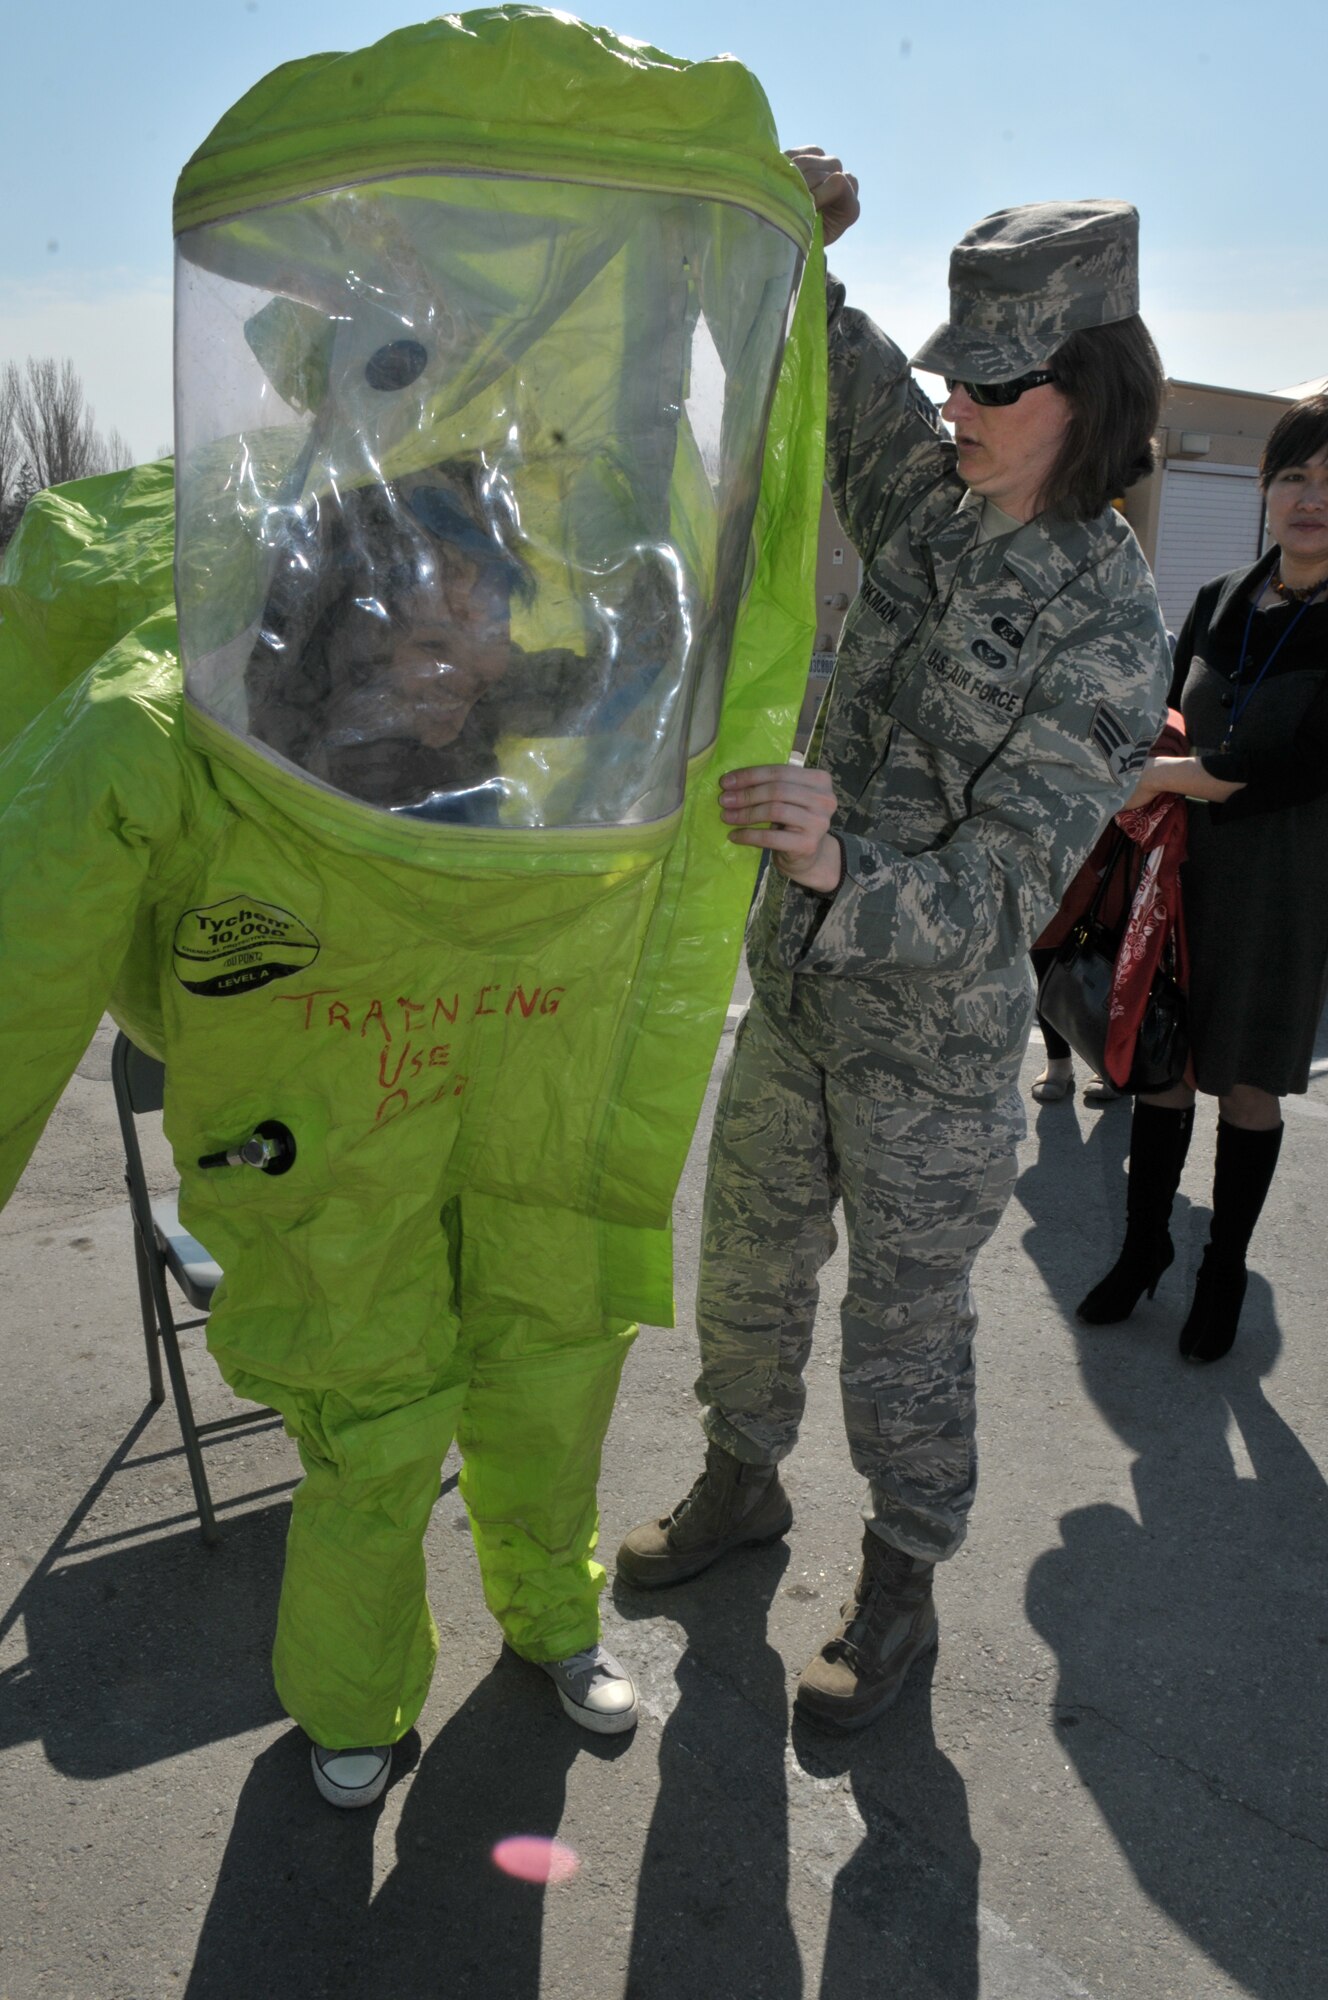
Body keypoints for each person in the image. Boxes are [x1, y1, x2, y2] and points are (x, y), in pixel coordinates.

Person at [0, 12, 827, 1808]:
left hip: (524, 1061)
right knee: (372, 1422)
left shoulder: (552, 710)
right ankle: (356, 1702)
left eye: (484, 616)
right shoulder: (194, 720)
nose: (460, 653)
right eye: (423, 618)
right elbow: (23, 943)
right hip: (328, 1104)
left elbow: (677, 576)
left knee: (547, 1355)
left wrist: (729, 296)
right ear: (338, 613)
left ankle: (552, 1616)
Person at [618, 157, 1173, 1731]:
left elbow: (1008, 888)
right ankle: (741, 1485)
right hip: (797, 1007)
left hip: (928, 1060)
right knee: (747, 1275)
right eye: (958, 374)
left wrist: (840, 863)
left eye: (997, 384)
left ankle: (905, 1584)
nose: (961, 406)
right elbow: (834, 359)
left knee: (906, 1337)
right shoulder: (930, 491)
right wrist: (797, 238)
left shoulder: (1108, 627)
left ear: (1093, 391)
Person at [1078, 391, 1328, 1361]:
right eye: (1295, 476)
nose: (1311, 498)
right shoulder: (1220, 598)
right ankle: (1143, 1247)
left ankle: (1219, 1271)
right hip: (1179, 876)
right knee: (1162, 1069)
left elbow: (1281, 769)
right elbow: (1164, 712)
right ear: (1265, 488)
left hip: (1281, 886)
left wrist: (1149, 778)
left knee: (1248, 1084)